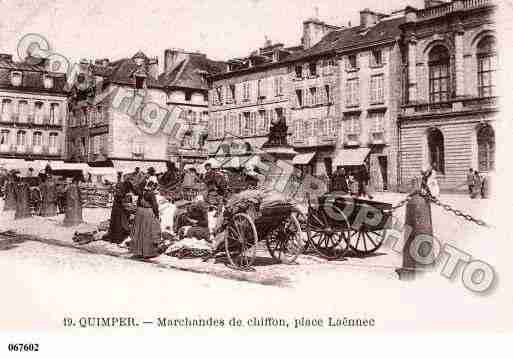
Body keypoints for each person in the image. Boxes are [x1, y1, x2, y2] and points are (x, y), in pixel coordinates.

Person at [130, 177, 162, 259]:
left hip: (140, 213)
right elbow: (155, 205)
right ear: (153, 186)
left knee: (139, 232)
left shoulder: (142, 192)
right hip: (147, 213)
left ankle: (138, 251)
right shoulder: (151, 194)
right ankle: (148, 252)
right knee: (148, 232)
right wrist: (157, 215)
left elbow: (138, 203)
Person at [107, 173, 136, 244]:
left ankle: (115, 238)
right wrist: (125, 200)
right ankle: (117, 239)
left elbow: (133, 191)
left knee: (118, 222)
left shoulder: (125, 185)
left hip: (118, 206)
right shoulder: (124, 186)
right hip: (119, 207)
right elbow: (121, 196)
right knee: (119, 223)